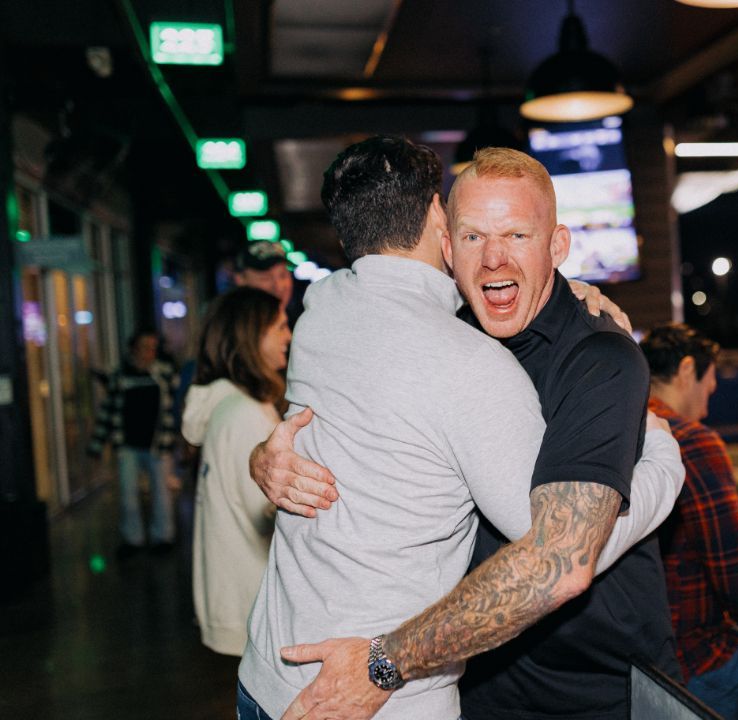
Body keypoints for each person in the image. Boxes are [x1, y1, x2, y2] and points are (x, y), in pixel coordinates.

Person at [238, 138, 684, 720]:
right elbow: (557, 559)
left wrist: (658, 461)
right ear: (444, 239)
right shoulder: (454, 343)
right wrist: (264, 458)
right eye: (472, 235)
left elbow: (559, 560)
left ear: (557, 245)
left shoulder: (326, 306)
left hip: (586, 692)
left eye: (518, 236)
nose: (494, 258)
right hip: (449, 681)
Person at [641, 323, 738, 720]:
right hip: (692, 658)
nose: (707, 404)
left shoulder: (614, 427)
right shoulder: (690, 441)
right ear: (688, 369)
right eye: (709, 385)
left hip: (631, 658)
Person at [180, 287, 291, 657]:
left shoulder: (226, 406)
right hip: (252, 597)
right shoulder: (244, 413)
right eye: (279, 326)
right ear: (251, 336)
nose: (288, 336)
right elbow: (266, 509)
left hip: (232, 594)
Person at [89, 328, 178, 558]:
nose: (149, 352)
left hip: (158, 444)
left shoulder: (165, 374)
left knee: (161, 494)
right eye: (144, 347)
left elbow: (178, 406)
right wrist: (97, 444)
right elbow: (108, 411)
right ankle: (133, 539)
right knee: (128, 495)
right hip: (127, 444)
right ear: (133, 349)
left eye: (153, 347)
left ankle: (163, 538)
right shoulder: (121, 376)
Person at [235, 240, 294, 312]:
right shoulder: (229, 321)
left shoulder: (301, 320)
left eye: (283, 275)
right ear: (240, 280)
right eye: (265, 278)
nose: (279, 286)